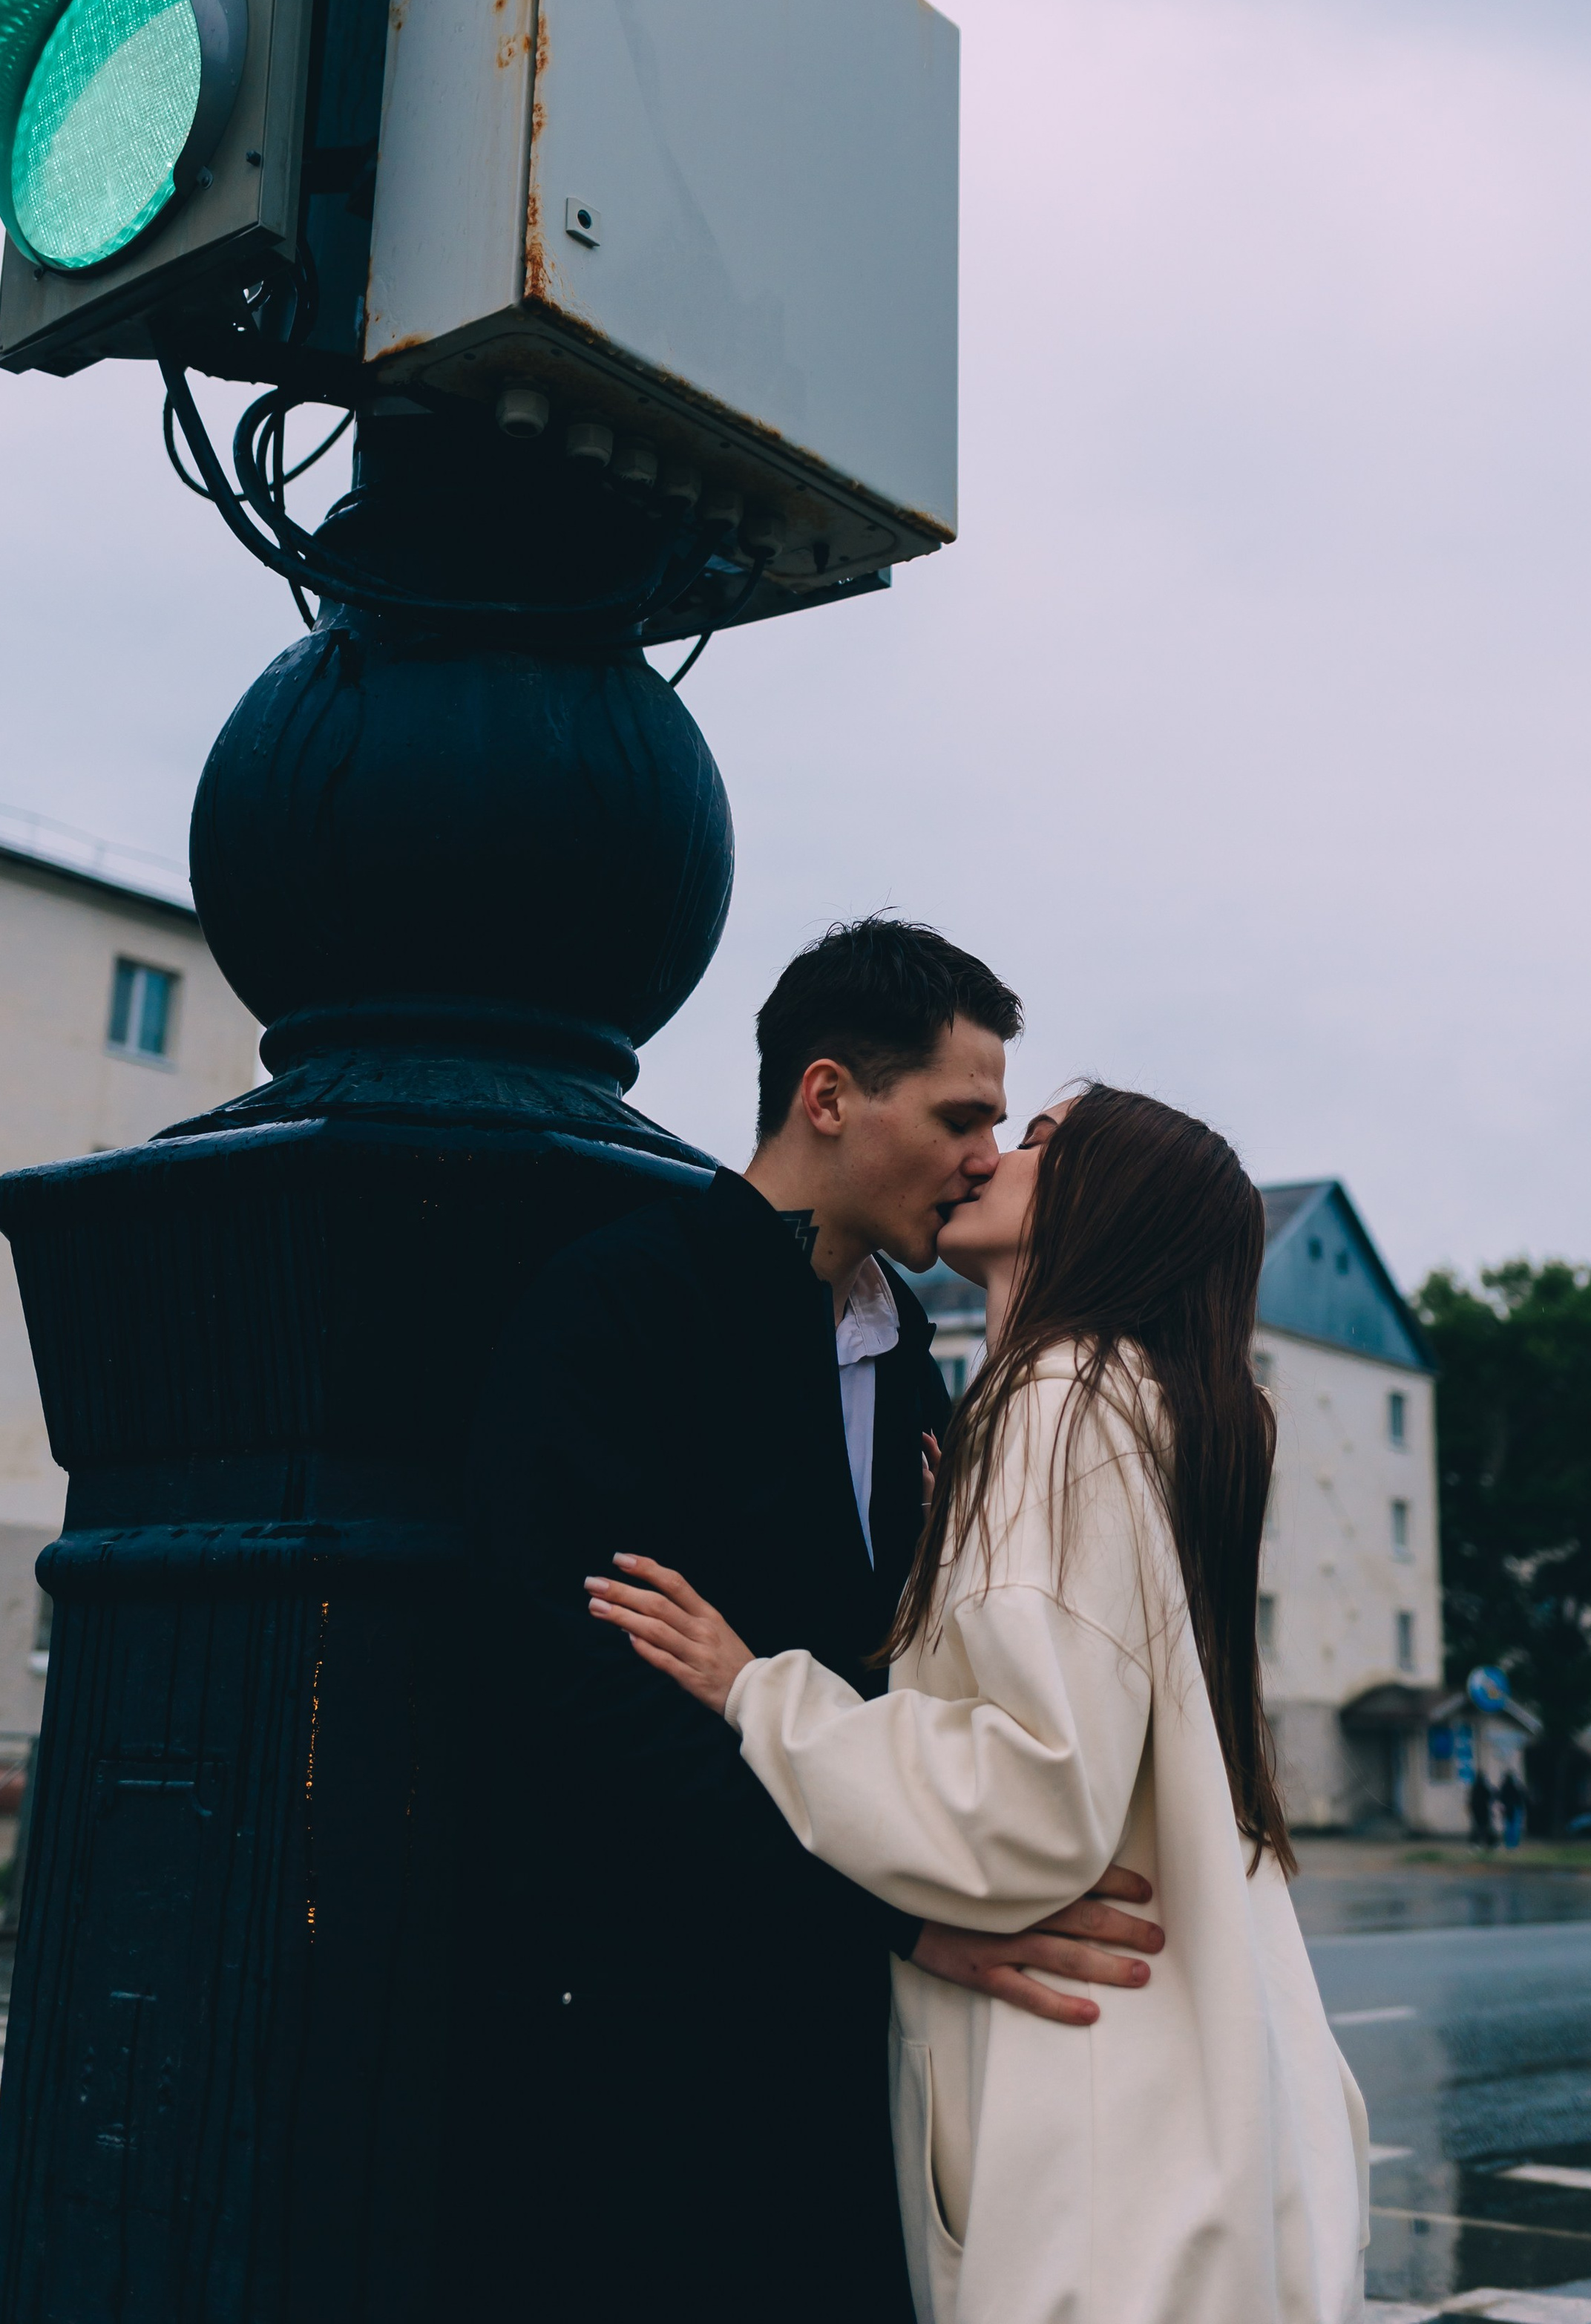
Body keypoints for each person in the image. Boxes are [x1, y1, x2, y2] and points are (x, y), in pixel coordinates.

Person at [465, 927, 1165, 2323]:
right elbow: (578, 1692)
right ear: (830, 1095)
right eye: (962, 1117)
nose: (984, 1155)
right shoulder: (622, 1300)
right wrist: (890, 1920)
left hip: (852, 2046)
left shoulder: (909, 1350)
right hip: (653, 2036)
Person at [588, 1087, 1371, 2324]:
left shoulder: (1059, 1407)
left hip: (1088, 2109)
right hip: (1181, 2079)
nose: (993, 1158)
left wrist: (759, 1689)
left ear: (1110, 1205)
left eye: (1044, 1141)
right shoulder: (1145, 1409)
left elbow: (1032, 1794)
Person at [1497, 1764, 1528, 1850]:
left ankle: (1509, 1844)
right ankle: (1514, 1844)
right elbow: (1523, 1795)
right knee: (1515, 1826)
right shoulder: (1517, 1786)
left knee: (1508, 1826)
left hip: (1508, 1808)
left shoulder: (1504, 1786)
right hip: (1516, 1807)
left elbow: (1501, 1796)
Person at [1469, 1766, 1499, 1851]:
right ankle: (1490, 1844)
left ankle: (1476, 1844)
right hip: (1484, 1810)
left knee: (1477, 1827)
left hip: (1476, 1810)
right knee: (1486, 1827)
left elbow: (1472, 1799)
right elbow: (1491, 1795)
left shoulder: (1474, 1787)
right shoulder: (1485, 1786)